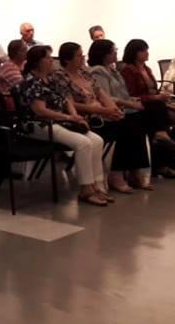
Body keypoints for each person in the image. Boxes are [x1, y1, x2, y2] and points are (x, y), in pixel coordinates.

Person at [54, 42, 150, 194]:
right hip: (87, 116)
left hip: (101, 113)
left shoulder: (84, 73)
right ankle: (116, 174)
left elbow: (101, 94)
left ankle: (133, 170)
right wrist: (103, 110)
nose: (83, 57)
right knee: (126, 127)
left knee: (135, 122)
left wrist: (112, 109)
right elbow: (69, 104)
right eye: (79, 55)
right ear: (67, 59)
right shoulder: (60, 77)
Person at [19, 45, 109, 206]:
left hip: (62, 120)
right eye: (47, 57)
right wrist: (69, 117)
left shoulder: (52, 78)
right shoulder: (31, 81)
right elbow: (40, 111)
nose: (51, 60)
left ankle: (98, 185)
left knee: (97, 140)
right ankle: (86, 189)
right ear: (38, 62)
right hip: (39, 124)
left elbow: (67, 98)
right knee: (82, 143)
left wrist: (74, 115)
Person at [89, 39, 173, 189]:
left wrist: (131, 100)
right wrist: (129, 103)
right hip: (107, 113)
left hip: (123, 109)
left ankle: (135, 170)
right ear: (104, 54)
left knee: (139, 121)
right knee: (132, 125)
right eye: (113, 51)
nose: (116, 53)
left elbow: (124, 93)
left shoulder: (113, 70)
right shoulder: (97, 71)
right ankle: (117, 173)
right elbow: (106, 97)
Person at [121, 39, 175, 175]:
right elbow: (131, 95)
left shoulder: (146, 69)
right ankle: (165, 159)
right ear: (135, 53)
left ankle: (170, 154)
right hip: (142, 108)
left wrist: (161, 96)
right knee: (159, 125)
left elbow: (153, 90)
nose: (147, 53)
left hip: (156, 105)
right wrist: (155, 97)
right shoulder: (128, 71)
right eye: (144, 51)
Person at [0, 40, 28, 106]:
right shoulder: (8, 67)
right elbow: (23, 86)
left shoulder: (24, 64)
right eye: (24, 50)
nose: (27, 52)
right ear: (15, 53)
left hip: (22, 99)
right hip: (12, 103)